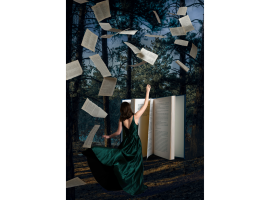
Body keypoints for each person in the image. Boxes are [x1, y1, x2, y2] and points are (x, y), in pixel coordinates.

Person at [82, 84, 151, 196]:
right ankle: (135, 186)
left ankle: (125, 182)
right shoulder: (136, 116)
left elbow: (118, 133)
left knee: (123, 162)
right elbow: (145, 104)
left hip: (127, 144)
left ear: (122, 110)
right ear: (129, 108)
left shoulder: (121, 119)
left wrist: (109, 136)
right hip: (135, 144)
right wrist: (147, 91)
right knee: (137, 165)